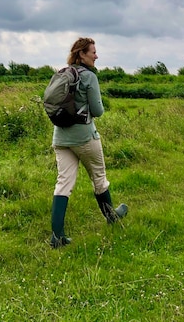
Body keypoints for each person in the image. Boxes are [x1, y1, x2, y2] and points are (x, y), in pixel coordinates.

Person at [50, 37, 128, 248]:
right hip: (84, 137)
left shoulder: (62, 73)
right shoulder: (89, 77)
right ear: (82, 54)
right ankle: (112, 217)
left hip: (60, 138)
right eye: (93, 52)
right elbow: (99, 111)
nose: (96, 55)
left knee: (63, 183)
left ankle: (57, 237)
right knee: (99, 177)